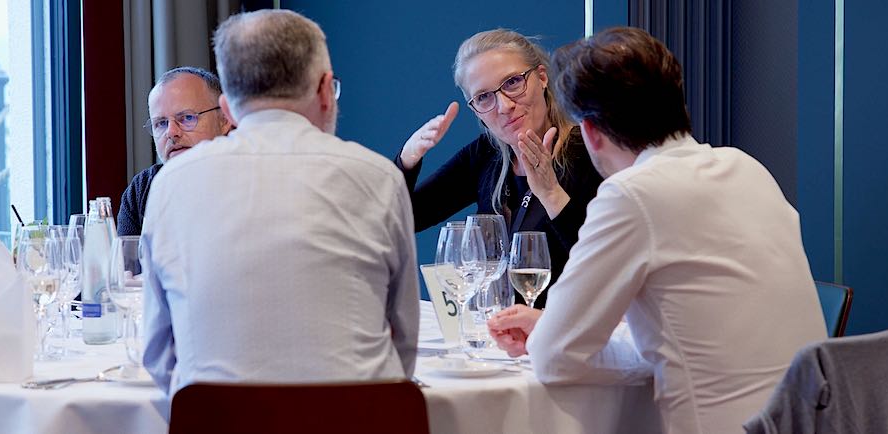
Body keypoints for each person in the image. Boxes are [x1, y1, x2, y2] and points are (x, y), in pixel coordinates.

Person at [487, 27, 827, 434]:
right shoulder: (746, 168)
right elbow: (684, 338)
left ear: (591, 133)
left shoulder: (631, 195)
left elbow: (552, 359)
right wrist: (548, 327)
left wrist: (549, 333)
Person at [140, 10, 419, 396]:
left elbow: (158, 356)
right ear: (326, 90)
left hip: (217, 421)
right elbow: (404, 343)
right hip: (358, 418)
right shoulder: (379, 178)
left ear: (226, 109)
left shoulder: (171, 185)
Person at [396, 29, 604, 308]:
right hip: (493, 323)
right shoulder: (487, 154)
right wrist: (407, 160)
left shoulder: (590, 153)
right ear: (475, 110)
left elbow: (603, 264)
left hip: (564, 324)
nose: (504, 106)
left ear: (542, 77)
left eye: (513, 82)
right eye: (484, 97)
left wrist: (551, 194)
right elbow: (404, 218)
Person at [118, 66, 232, 236]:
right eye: (161, 123)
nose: (171, 132)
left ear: (224, 120)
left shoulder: (249, 181)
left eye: (187, 118)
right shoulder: (142, 190)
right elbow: (126, 253)